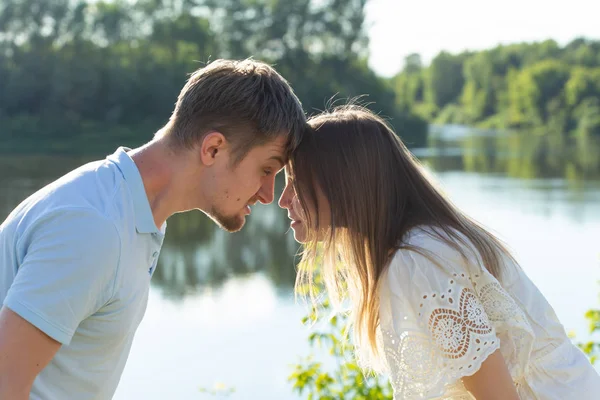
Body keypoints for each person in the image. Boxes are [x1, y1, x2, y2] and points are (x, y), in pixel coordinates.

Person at [0, 58, 306, 399]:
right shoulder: (94, 226)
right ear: (213, 148)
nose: (268, 194)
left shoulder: (132, 214)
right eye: (266, 169)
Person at [278, 104, 600, 399]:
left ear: (342, 184)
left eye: (296, 181)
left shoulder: (419, 259)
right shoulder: (420, 247)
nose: (284, 198)